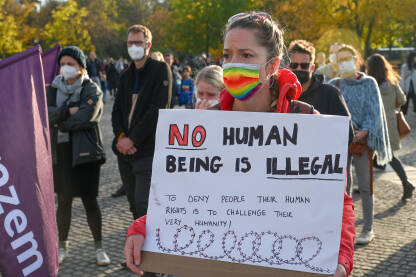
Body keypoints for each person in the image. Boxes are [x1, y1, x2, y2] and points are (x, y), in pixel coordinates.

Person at [124, 12, 355, 277]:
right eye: (227, 55)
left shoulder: (306, 122)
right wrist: (142, 229)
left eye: (246, 55)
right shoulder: (204, 127)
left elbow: (338, 202)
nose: (233, 64)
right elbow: (180, 202)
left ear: (272, 65)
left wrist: (341, 258)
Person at [47, 46, 110, 266]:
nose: (66, 68)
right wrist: (68, 110)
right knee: (63, 201)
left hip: (86, 153)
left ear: (81, 68)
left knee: (89, 200)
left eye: (71, 64)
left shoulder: (91, 88)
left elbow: (88, 116)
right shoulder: (52, 89)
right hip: (61, 153)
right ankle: (62, 247)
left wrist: (60, 120)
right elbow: (47, 115)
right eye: (63, 64)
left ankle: (99, 248)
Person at [329, 45, 391, 245]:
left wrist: (363, 132)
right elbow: (331, 113)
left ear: (356, 59)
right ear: (336, 63)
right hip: (341, 142)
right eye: (341, 59)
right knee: (342, 187)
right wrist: (346, 132)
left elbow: (374, 111)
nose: (345, 61)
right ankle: (343, 229)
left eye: (348, 57)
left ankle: (368, 228)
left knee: (365, 186)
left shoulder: (369, 83)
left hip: (363, 142)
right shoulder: (334, 84)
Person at [111, 24, 172, 220]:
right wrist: (121, 137)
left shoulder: (161, 70)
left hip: (148, 150)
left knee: (144, 205)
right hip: (124, 152)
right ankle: (137, 245)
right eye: (130, 43)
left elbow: (157, 110)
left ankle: (147, 248)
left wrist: (133, 140)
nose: (133, 46)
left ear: (148, 44)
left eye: (138, 42)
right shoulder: (125, 75)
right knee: (132, 205)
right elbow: (117, 111)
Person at [366, 54, 415, 200]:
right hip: (389, 126)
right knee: (390, 157)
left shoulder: (369, 84)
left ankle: (366, 187)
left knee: (369, 156)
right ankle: (405, 183)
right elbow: (402, 100)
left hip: (373, 126)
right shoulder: (392, 83)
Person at [287, 40, 354, 144]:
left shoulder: (330, 94)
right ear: (288, 67)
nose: (299, 69)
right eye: (294, 65)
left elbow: (347, 134)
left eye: (304, 66)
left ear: (312, 68)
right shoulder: (278, 95)